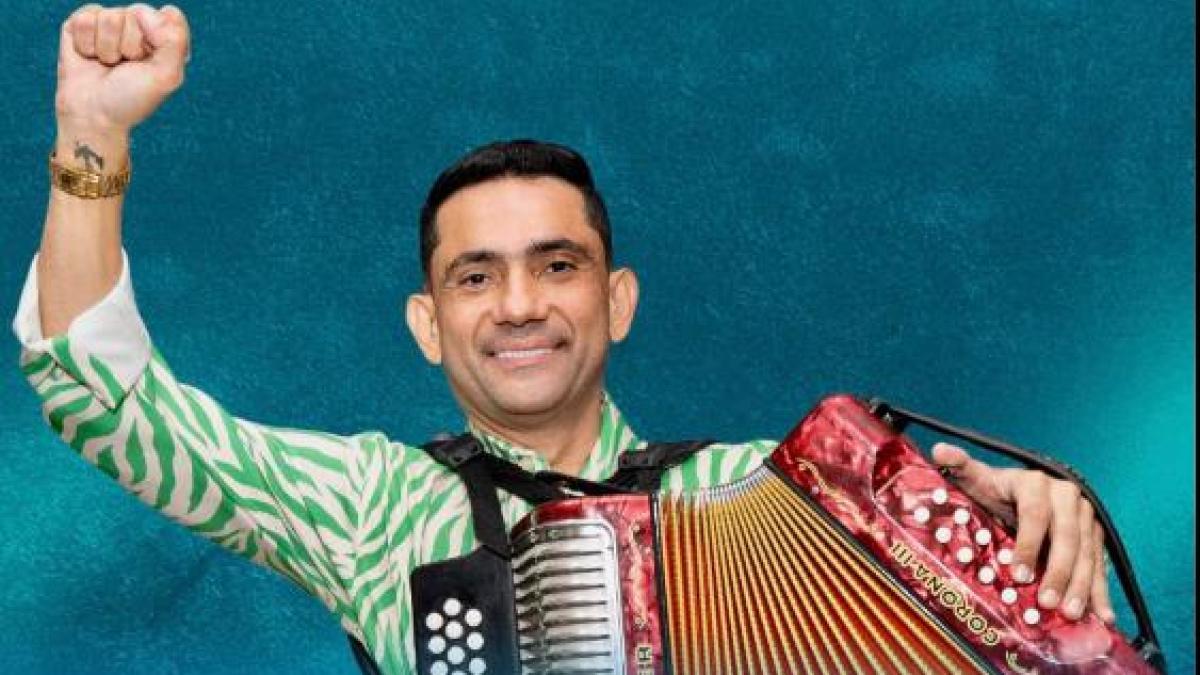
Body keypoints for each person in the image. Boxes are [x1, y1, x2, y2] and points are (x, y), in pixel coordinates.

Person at [16, 4, 1116, 673]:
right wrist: (91, 133)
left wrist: (1025, 529)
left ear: (617, 300)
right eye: (474, 276)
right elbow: (103, 398)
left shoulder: (780, 491)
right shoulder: (363, 503)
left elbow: (1022, 634)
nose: (518, 305)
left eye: (557, 265)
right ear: (428, 324)